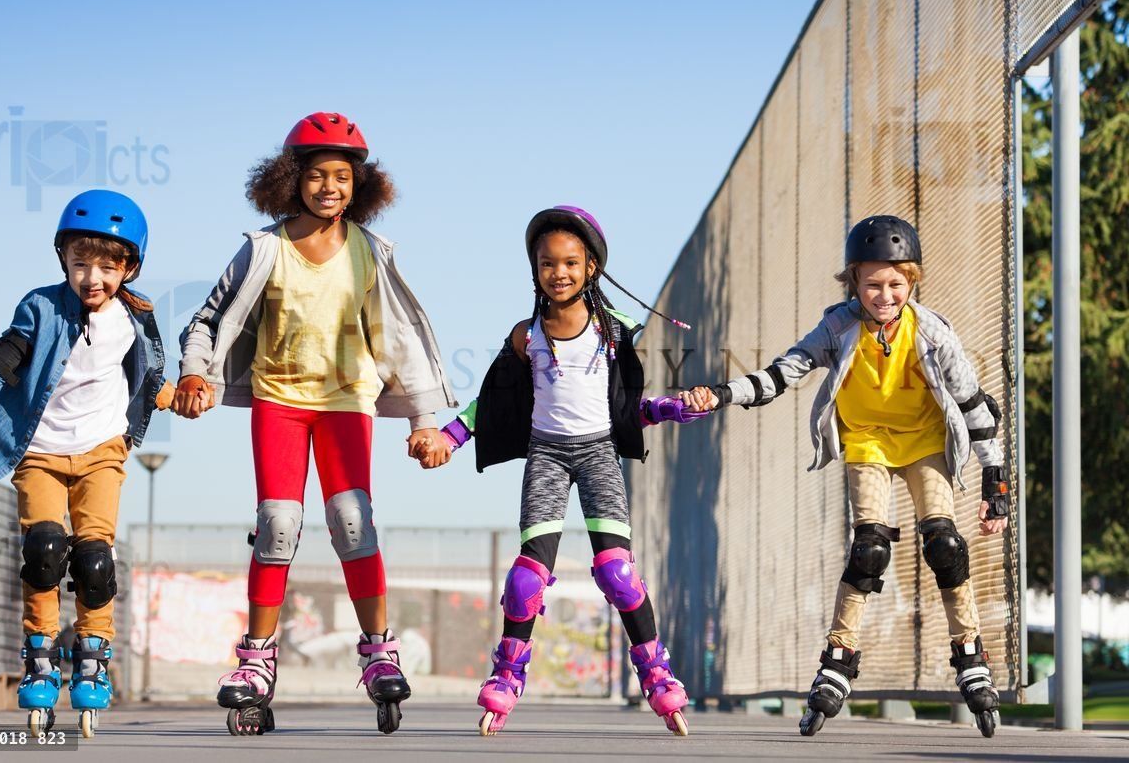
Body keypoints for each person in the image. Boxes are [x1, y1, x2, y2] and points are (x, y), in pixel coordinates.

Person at [172, 112, 455, 735]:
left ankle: (379, 648)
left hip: (347, 401)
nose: (330, 187)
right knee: (278, 523)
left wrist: (425, 419)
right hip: (279, 397)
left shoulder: (369, 253)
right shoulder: (263, 248)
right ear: (291, 178)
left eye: (343, 177)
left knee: (353, 522)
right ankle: (256, 661)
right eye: (318, 175)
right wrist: (196, 373)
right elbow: (209, 318)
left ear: (361, 184)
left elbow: (400, 339)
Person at [695, 215, 1009, 738]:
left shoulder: (932, 332)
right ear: (853, 281)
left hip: (926, 441)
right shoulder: (838, 327)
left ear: (912, 281)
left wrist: (994, 480)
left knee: (945, 544)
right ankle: (840, 655)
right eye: (872, 284)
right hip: (866, 441)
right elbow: (783, 372)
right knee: (869, 548)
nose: (885, 296)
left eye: (896, 284)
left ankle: (970, 650)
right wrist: (725, 394)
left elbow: (974, 404)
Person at [419, 205, 713, 736]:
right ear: (535, 270)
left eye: (571, 263)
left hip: (600, 452)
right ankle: (508, 675)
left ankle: (657, 673)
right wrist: (450, 437)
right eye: (548, 263)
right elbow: (492, 401)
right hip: (547, 455)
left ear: (592, 268)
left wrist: (670, 408)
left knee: (619, 574)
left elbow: (628, 408)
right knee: (526, 578)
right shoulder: (523, 336)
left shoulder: (615, 332)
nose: (560, 272)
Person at [0, 189, 169, 738]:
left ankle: (92, 656)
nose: (92, 277)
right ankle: (40, 653)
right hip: (39, 451)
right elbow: (2, 361)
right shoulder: (40, 307)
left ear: (129, 267)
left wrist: (181, 396)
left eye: (107, 267)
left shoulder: (138, 315)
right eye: (80, 263)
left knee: (94, 559)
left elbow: (151, 376)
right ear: (63, 260)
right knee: (43, 551)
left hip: (103, 451)